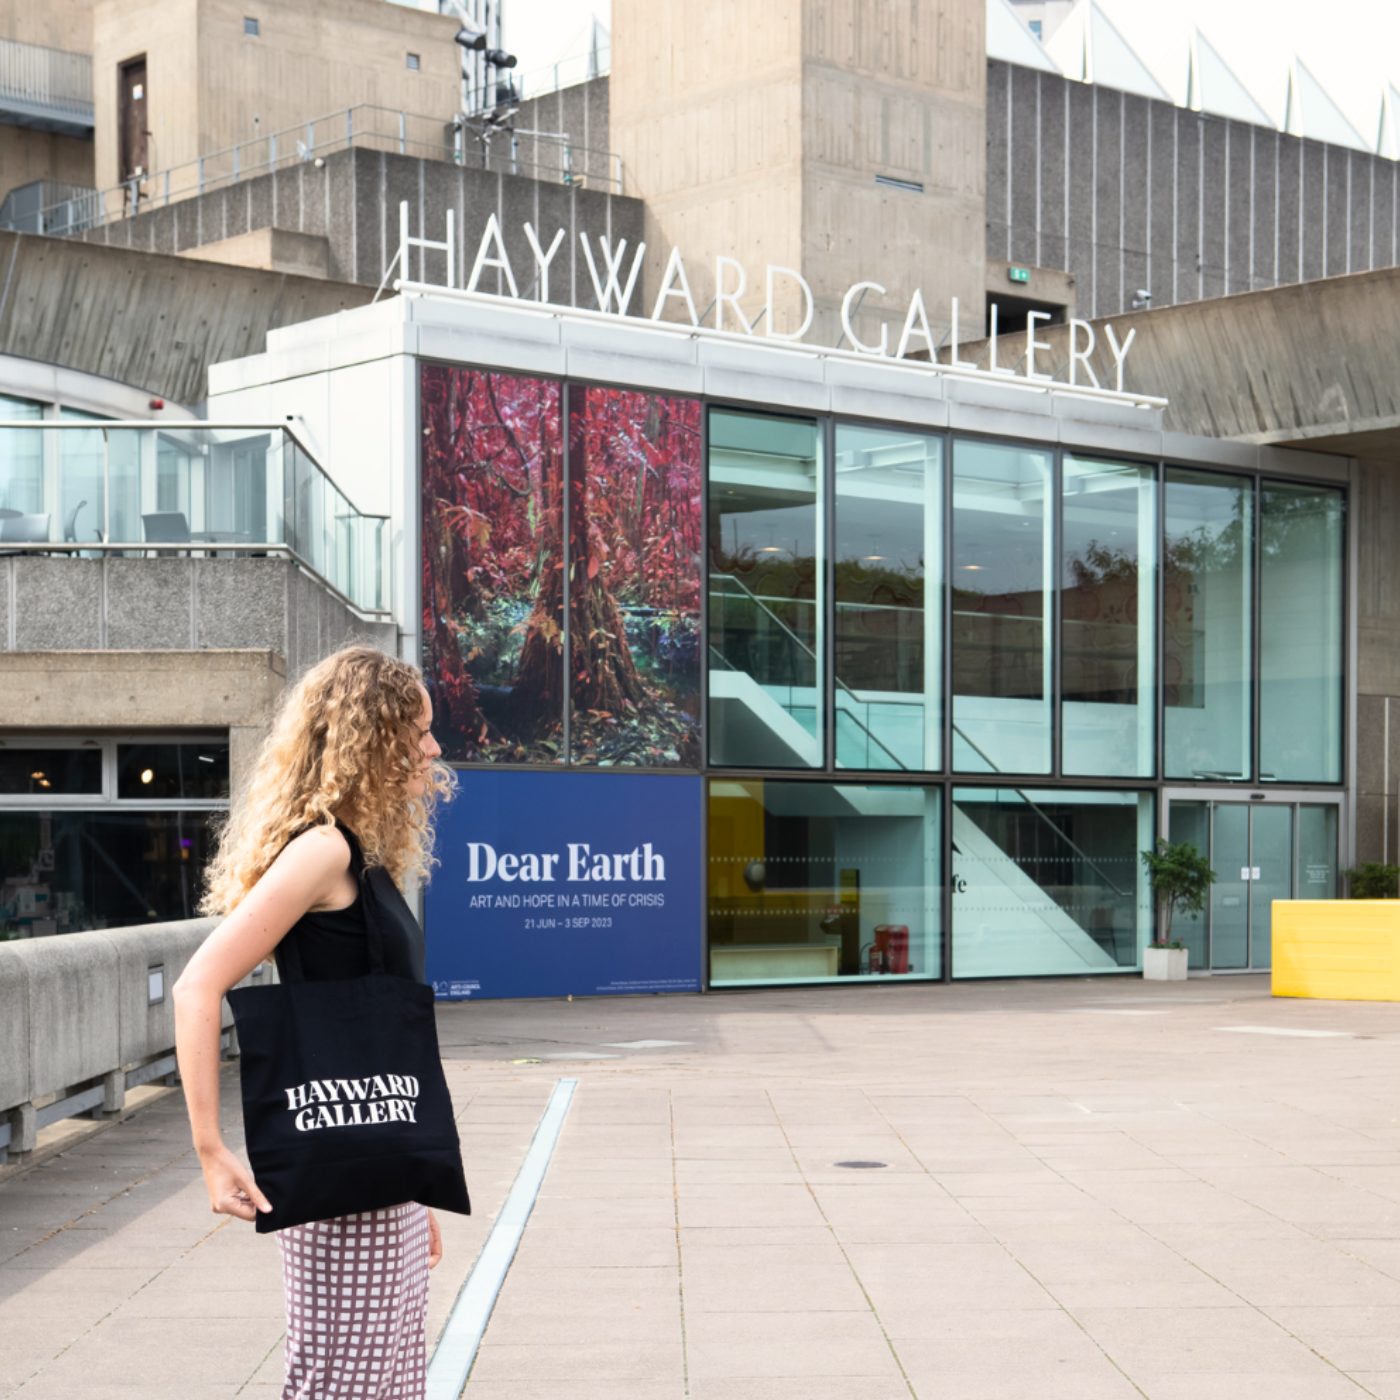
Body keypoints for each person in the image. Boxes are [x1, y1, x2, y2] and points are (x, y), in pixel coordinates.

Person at [173, 646, 455, 1399]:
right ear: (372, 734)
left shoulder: (360, 854)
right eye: (418, 731)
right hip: (338, 1173)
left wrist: (413, 1186)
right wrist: (210, 1149)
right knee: (341, 1384)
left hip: (374, 1168)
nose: (433, 748)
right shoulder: (323, 850)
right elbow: (197, 987)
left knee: (388, 1383)